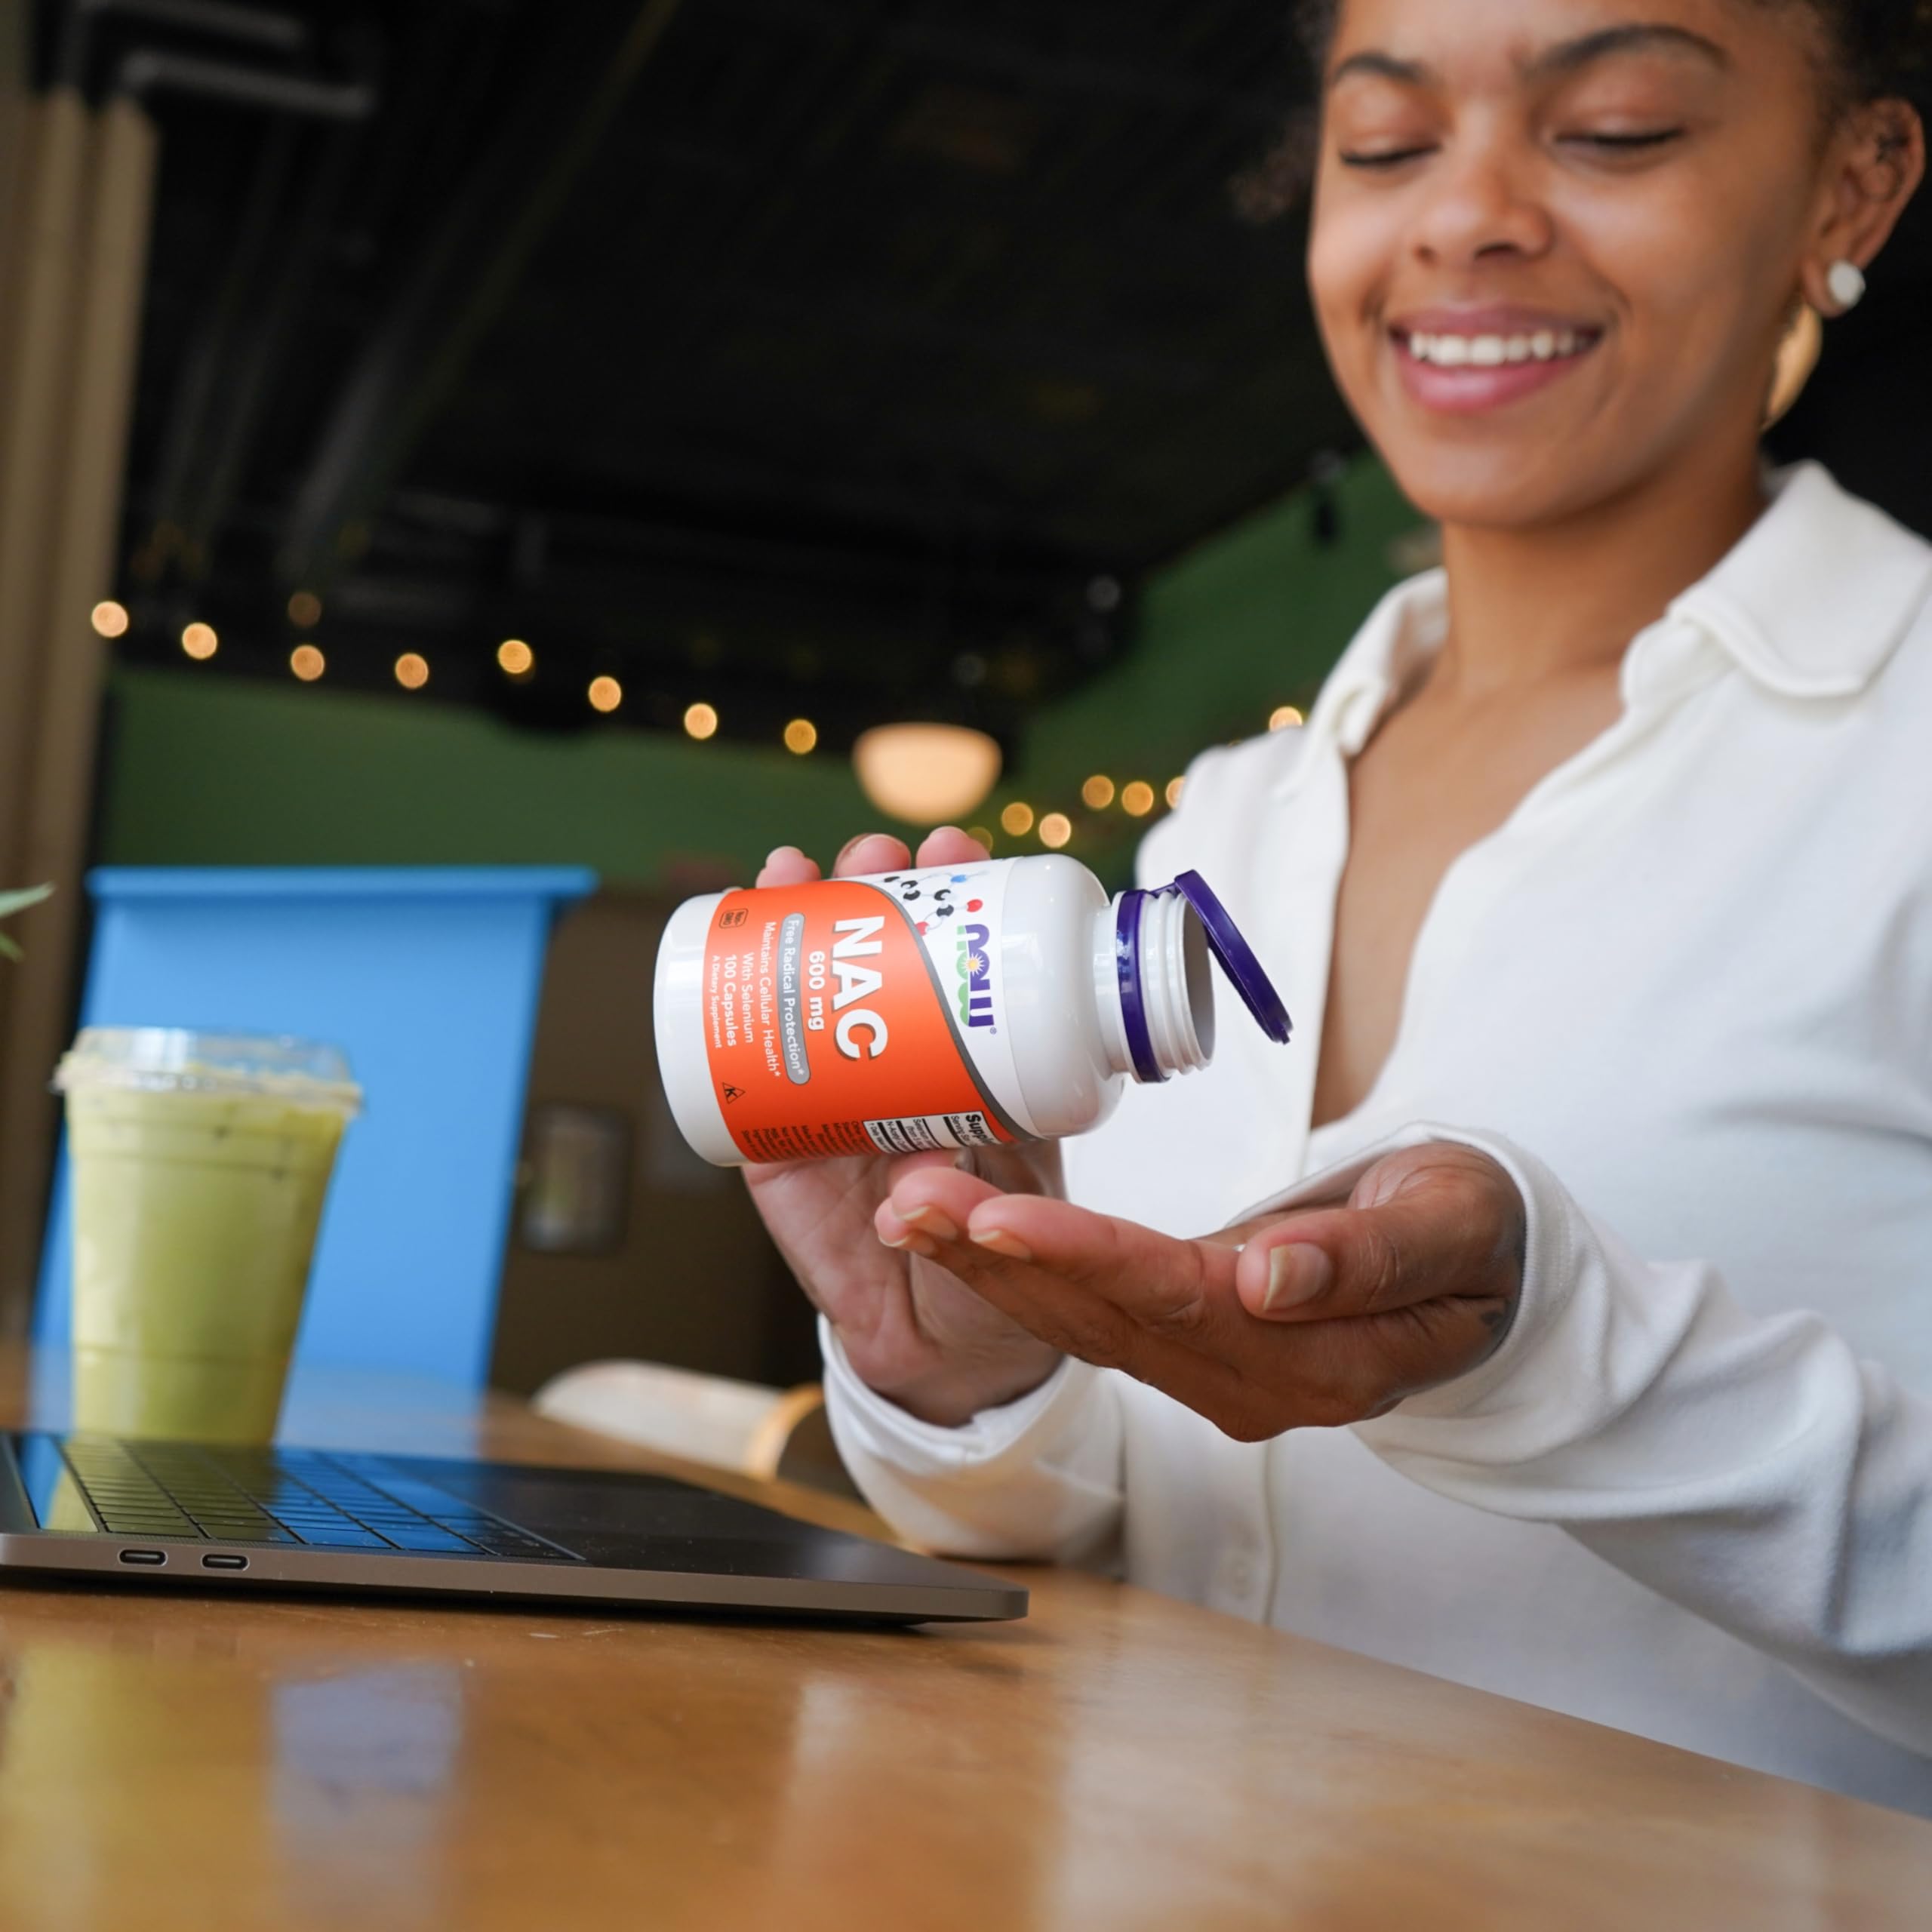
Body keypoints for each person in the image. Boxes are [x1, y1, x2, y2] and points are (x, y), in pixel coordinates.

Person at [752, 0, 1932, 1814]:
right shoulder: (1227, 818)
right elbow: (1134, 1536)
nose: (1459, 216)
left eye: (1611, 127)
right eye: (1383, 144)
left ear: (1851, 185)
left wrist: (1547, 1351)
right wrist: (973, 1382)